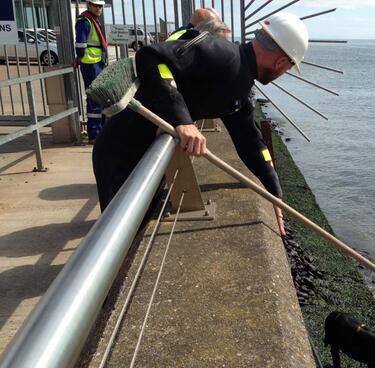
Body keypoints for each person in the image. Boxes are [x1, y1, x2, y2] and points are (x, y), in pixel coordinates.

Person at [92, 12, 308, 236]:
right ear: (281, 61)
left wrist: (275, 193)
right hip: (119, 155)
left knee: (134, 231)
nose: (284, 72)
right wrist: (183, 120)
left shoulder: (239, 85)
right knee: (114, 238)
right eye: (288, 68)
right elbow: (150, 57)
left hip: (147, 156)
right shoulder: (223, 55)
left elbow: (251, 143)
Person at [74, 0, 108, 144]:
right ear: (89, 5)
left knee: (101, 97)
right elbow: (81, 44)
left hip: (98, 62)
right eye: (96, 5)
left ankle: (102, 130)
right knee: (94, 98)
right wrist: (79, 57)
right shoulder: (84, 21)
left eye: (101, 6)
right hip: (90, 63)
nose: (99, 8)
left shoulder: (93, 20)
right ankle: (94, 134)